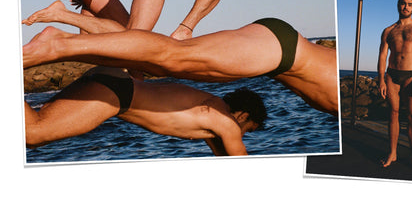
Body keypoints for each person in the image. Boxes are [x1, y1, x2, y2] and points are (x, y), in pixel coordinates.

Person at [22, 1, 339, 116]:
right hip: (283, 52)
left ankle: (65, 31)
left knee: (157, 63)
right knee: (171, 57)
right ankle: (58, 45)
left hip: (278, 51)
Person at [24, 66, 267, 156]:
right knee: (33, 133)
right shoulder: (226, 123)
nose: (242, 135)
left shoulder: (211, 110)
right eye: (248, 130)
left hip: (113, 79)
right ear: (243, 116)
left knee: (31, 138)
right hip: (117, 95)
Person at [377, 0, 412, 172]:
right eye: (403, 4)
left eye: (409, 4)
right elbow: (383, 56)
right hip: (392, 75)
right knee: (393, 113)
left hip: (411, 76)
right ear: (398, 6)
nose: (406, 7)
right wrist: (381, 80)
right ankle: (392, 153)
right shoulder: (388, 31)